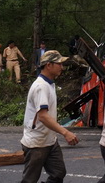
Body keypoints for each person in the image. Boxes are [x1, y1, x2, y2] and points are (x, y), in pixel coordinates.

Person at [20, 50, 79, 183]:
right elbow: (43, 116)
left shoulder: (49, 84)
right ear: (49, 65)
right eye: (59, 64)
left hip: (49, 140)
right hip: (36, 143)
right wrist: (65, 132)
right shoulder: (41, 86)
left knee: (58, 173)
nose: (62, 67)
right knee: (30, 180)